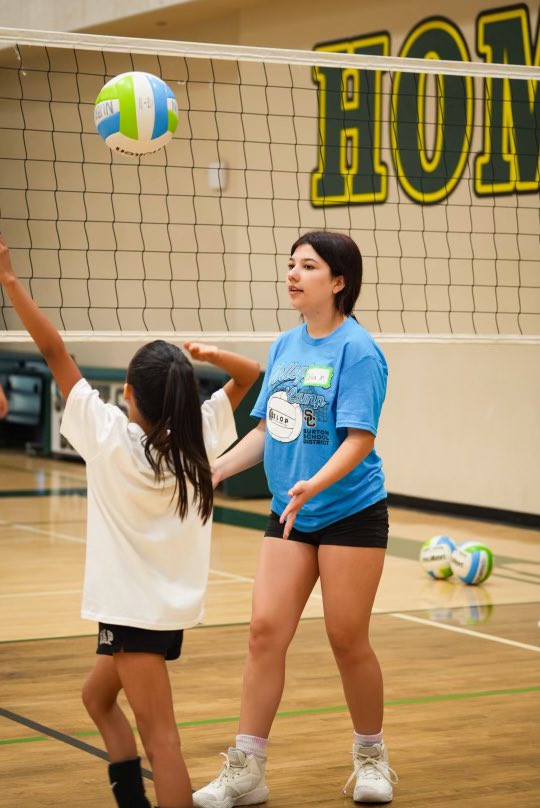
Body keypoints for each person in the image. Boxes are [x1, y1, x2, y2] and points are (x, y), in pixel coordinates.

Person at [0, 233, 260, 808]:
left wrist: (9, 281)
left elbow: (55, 354)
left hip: (134, 613)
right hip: (162, 613)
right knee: (96, 700)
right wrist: (213, 357)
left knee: (161, 738)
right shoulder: (200, 437)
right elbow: (251, 375)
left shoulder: (111, 439)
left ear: (130, 396)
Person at [193, 230, 398, 807]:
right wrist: (216, 469)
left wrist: (316, 481)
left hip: (349, 511)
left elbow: (359, 439)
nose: (292, 274)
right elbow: (266, 431)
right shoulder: (285, 345)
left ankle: (371, 757)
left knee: (346, 637)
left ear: (338, 282)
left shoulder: (358, 351)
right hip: (289, 512)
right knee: (264, 634)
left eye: (307, 266)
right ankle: (248, 769)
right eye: (290, 265)